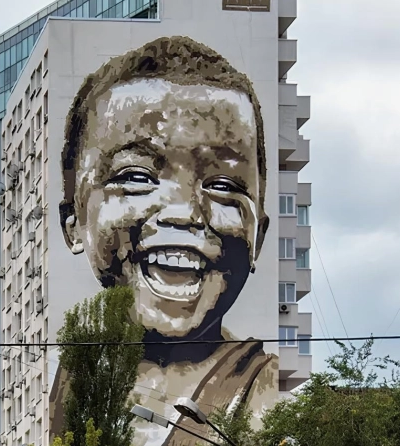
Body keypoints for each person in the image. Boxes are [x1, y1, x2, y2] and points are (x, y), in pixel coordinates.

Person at [50, 35, 276, 445]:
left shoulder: (271, 397)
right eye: (136, 177)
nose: (184, 212)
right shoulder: (73, 381)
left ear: (257, 235)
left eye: (223, 184)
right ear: (73, 221)